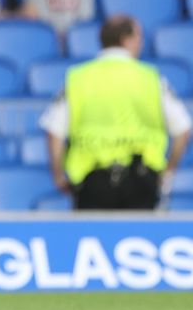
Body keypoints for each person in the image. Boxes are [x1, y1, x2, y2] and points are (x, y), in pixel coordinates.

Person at [41, 15, 191, 210]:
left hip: (92, 181)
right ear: (126, 39)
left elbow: (54, 132)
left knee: (95, 236)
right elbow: (184, 129)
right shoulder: (151, 79)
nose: (141, 43)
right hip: (142, 179)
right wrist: (168, 172)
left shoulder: (77, 79)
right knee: (139, 236)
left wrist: (59, 175)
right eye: (138, 36)